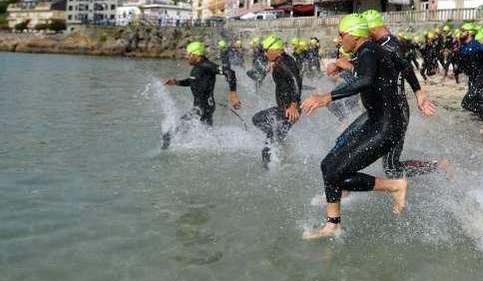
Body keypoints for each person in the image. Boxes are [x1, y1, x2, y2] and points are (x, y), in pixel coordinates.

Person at [299, 14, 410, 240]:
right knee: (328, 165)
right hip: (376, 122)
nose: (339, 40)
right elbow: (404, 65)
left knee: (335, 172)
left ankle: (394, 186)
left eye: (341, 35)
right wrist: (420, 93)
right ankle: (333, 224)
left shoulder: (369, 51)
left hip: (386, 127)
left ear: (355, 34)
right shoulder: (369, 52)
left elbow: (366, 80)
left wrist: (326, 97)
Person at [356, 9, 445, 178]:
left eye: (365, 34)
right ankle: (344, 184)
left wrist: (419, 92)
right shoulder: (385, 44)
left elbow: (405, 67)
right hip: (387, 111)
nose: (364, 39)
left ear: (372, 29)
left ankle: (439, 166)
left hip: (396, 112)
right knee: (360, 147)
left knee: (391, 167)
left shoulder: (389, 45)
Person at [161, 41, 240, 149]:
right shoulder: (199, 67)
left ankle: (163, 155)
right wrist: (177, 82)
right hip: (204, 107)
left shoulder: (206, 65)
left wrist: (233, 95)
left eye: (188, 54)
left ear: (196, 55)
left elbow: (230, 72)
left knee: (169, 135)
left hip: (202, 108)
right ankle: (221, 149)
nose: (186, 57)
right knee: (207, 136)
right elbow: (193, 81)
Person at [252, 34, 303, 165]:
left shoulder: (284, 63)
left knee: (267, 150)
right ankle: (280, 140)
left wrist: (294, 105)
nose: (264, 53)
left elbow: (296, 80)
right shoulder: (282, 61)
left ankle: (271, 173)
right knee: (257, 119)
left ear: (275, 50)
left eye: (266, 50)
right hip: (283, 109)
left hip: (288, 111)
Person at [457, 24, 483, 134]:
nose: (460, 32)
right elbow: (461, 64)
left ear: (470, 32)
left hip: (481, 77)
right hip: (473, 78)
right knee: (479, 100)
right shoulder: (462, 47)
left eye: (463, 30)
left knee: (466, 102)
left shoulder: (479, 46)